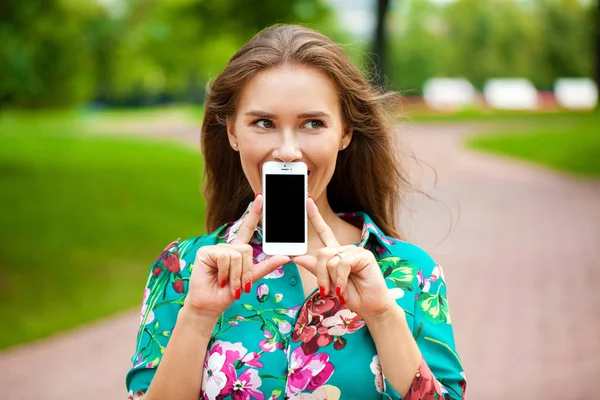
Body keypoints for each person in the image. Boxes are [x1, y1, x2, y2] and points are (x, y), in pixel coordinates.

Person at [126, 24, 466, 400]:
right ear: (232, 132)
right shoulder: (181, 270)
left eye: (312, 123)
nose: (287, 151)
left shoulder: (411, 273)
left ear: (345, 133)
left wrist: (384, 317)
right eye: (263, 123)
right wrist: (197, 317)